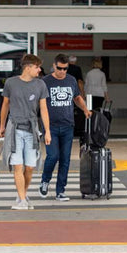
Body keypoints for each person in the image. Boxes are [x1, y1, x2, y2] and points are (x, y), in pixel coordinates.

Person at [0, 53, 51, 210]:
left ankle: (23, 194)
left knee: (30, 167)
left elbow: (43, 109)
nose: (39, 70)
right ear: (27, 67)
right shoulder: (11, 83)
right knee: (18, 166)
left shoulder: (40, 85)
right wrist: (2, 126)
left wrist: (47, 131)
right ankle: (22, 200)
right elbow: (5, 105)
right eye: (37, 67)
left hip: (31, 130)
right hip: (14, 129)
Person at [39, 53, 90, 201]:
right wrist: (45, 129)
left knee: (65, 159)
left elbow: (77, 98)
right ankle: (45, 181)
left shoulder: (71, 80)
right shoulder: (46, 81)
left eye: (65, 69)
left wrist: (85, 110)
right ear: (54, 66)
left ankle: (60, 190)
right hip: (51, 126)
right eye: (59, 68)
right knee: (53, 156)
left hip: (68, 125)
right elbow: (40, 104)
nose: (62, 71)